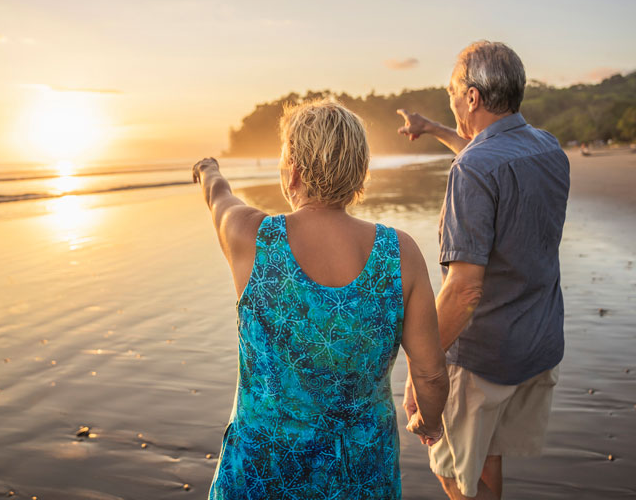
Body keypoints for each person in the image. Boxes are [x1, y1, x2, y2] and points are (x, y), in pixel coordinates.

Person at [193, 99, 449, 499]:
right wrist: (429, 423)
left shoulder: (252, 237)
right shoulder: (400, 254)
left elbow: (218, 196)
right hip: (360, 474)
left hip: (263, 472)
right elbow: (431, 374)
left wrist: (208, 169)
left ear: (293, 170)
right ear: (359, 172)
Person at [397, 41, 570, 500]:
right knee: (487, 455)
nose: (451, 100)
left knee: (453, 470)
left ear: (471, 97)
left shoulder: (473, 170)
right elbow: (485, 153)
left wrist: (422, 368)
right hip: (539, 343)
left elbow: (464, 291)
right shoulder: (547, 149)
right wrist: (434, 127)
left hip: (485, 357)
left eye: (453, 92)